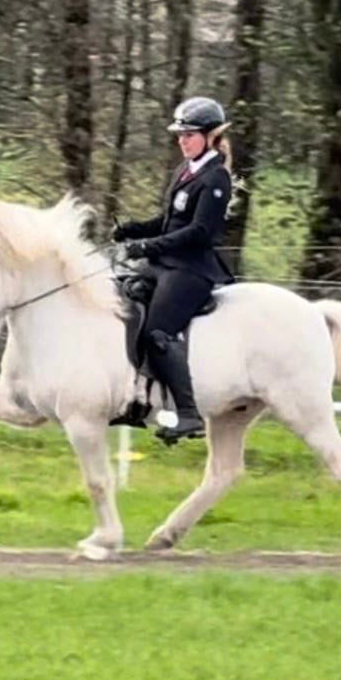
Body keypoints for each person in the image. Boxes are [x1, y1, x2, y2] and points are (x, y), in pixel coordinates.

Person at [112, 96, 234, 443]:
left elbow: (198, 233)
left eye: (189, 134)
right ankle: (135, 397)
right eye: (179, 134)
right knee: (122, 300)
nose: (182, 140)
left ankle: (188, 414)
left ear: (210, 136)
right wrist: (134, 230)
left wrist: (147, 247)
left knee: (157, 332)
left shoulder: (216, 178)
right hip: (165, 263)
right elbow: (169, 222)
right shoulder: (186, 170)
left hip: (192, 270)